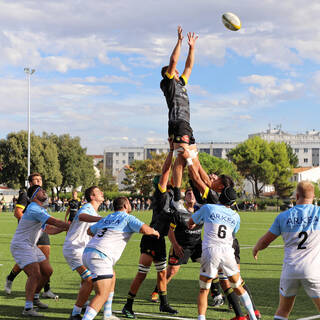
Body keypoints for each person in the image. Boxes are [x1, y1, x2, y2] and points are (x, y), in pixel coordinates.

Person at [122, 139, 178, 318]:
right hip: (151, 238)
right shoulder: (161, 195)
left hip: (160, 239)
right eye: (165, 180)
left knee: (162, 275)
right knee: (142, 274)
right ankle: (128, 306)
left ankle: (164, 304)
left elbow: (177, 174)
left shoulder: (172, 196)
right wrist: (171, 151)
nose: (168, 180)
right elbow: (166, 171)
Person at [81, 197, 160, 320]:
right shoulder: (127, 218)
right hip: (101, 256)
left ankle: (107, 315)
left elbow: (89, 231)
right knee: (102, 294)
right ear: (125, 205)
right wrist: (155, 232)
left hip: (87, 253)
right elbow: (145, 229)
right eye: (129, 203)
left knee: (112, 276)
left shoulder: (108, 217)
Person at [253, 181, 320, 319]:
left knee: (283, 311)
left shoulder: (283, 216)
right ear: (313, 196)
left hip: (290, 270)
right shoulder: (318, 213)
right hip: (312, 270)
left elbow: (265, 241)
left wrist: (256, 248)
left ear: (296, 195)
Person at [188, 187, 257, 320]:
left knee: (204, 288)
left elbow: (190, 223)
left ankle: (201, 318)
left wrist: (194, 224)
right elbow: (233, 232)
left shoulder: (208, 208)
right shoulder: (236, 216)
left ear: (220, 197)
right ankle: (253, 317)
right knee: (238, 285)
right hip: (227, 252)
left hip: (211, 251)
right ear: (232, 203)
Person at [160, 26, 204, 211]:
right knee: (180, 159)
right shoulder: (168, 83)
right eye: (174, 70)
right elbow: (173, 60)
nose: (178, 71)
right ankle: (177, 196)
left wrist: (192, 47)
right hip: (177, 123)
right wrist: (179, 41)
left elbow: (188, 66)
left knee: (194, 159)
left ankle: (203, 191)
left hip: (186, 125)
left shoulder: (181, 83)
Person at [10, 185, 69, 317]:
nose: (45, 192)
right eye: (42, 191)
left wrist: (66, 228)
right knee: (35, 274)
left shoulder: (39, 209)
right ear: (35, 195)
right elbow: (54, 221)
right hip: (21, 245)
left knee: (47, 271)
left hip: (29, 245)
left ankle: (35, 297)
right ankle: (28, 308)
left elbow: (49, 229)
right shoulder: (34, 209)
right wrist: (71, 225)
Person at [5, 173, 58, 299]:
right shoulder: (26, 195)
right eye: (36, 180)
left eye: (40, 180)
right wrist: (30, 223)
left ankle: (46, 289)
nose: (39, 182)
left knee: (45, 261)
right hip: (29, 232)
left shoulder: (43, 197)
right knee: (29, 262)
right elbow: (18, 212)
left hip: (41, 230)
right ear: (30, 183)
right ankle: (11, 277)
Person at [150, 188, 202, 302]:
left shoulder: (201, 211)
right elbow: (170, 231)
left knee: (211, 265)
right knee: (171, 271)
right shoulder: (179, 212)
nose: (191, 195)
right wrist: (175, 245)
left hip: (197, 245)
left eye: (193, 193)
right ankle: (156, 291)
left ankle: (216, 294)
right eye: (189, 194)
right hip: (181, 246)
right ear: (185, 197)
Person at [63, 186, 104, 320]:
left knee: (87, 279)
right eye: (99, 192)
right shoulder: (87, 208)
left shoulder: (95, 213)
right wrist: (100, 220)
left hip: (83, 249)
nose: (102, 193)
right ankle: (75, 313)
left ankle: (84, 303)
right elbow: (81, 216)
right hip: (74, 249)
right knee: (90, 280)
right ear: (92, 196)